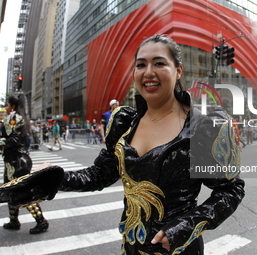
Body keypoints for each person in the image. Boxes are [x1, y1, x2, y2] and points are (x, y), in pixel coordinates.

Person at [25, 35, 245, 254]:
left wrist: (185, 227)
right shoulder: (124, 123)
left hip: (179, 250)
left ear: (178, 70)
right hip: (131, 246)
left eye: (159, 63)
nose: (148, 72)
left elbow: (230, 189)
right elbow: (102, 173)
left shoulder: (204, 125)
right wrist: (58, 177)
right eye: (141, 65)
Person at [0, 95, 49, 234]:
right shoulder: (14, 118)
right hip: (14, 161)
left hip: (17, 162)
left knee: (23, 194)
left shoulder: (14, 119)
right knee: (11, 192)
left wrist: (1, 142)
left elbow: (14, 140)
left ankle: (41, 221)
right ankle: (13, 220)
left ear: (13, 106)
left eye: (8, 105)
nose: (6, 107)